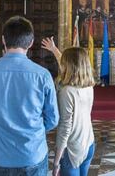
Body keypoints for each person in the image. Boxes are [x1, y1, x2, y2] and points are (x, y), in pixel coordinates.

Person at [0, 16, 59, 176]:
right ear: (31, 42)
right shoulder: (43, 75)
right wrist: (32, 130)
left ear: (3, 40)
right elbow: (53, 119)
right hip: (32, 154)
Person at [41, 37, 95, 176]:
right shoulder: (88, 86)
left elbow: (65, 128)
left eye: (64, 63)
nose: (61, 65)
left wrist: (56, 162)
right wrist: (54, 49)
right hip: (88, 143)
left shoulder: (66, 92)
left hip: (72, 149)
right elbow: (74, 64)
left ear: (68, 66)